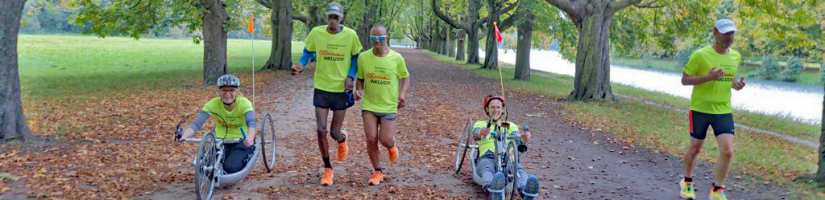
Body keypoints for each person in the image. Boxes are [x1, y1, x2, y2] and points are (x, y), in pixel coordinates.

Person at [290, 1, 363, 186]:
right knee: (321, 129)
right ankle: (328, 168)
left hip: (341, 90)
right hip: (322, 87)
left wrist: (351, 77)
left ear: (341, 19)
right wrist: (300, 64)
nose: (332, 20)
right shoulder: (317, 33)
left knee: (333, 132)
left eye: (336, 17)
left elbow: (356, 56)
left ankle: (342, 138)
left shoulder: (350, 35)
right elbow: (308, 52)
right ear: (326, 18)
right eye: (330, 16)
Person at [679, 19, 746, 200]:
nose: (729, 37)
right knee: (695, 148)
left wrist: (735, 85)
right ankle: (687, 181)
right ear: (715, 33)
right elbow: (685, 79)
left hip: (723, 110)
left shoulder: (735, 56)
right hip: (700, 109)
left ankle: (717, 189)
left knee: (728, 151)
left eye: (732, 33)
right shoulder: (700, 55)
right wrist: (708, 77)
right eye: (725, 33)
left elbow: (727, 79)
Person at [354, 25, 411, 186]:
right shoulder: (363, 57)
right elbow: (360, 78)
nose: (377, 41)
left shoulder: (397, 58)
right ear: (370, 39)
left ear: (386, 38)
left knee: (385, 139)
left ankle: (391, 146)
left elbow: (405, 77)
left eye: (380, 38)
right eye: (373, 38)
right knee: (371, 138)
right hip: (369, 105)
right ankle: (378, 171)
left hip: (388, 106)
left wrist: (402, 94)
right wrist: (358, 90)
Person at [179, 74, 257, 174]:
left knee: (230, 167)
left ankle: (248, 153)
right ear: (219, 91)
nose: (227, 94)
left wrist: (250, 138)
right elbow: (197, 124)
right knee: (205, 167)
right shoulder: (213, 104)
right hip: (221, 140)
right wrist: (184, 136)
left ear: (237, 92)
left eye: (231, 91)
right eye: (224, 90)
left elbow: (251, 122)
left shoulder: (244, 103)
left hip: (241, 139)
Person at [472, 95, 539, 200]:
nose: (495, 110)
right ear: (487, 109)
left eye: (498, 107)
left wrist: (524, 138)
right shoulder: (480, 124)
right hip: (487, 156)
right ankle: (493, 188)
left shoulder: (510, 125)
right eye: (492, 107)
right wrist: (482, 133)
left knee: (518, 169)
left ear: (503, 110)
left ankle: (525, 191)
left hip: (507, 158)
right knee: (487, 167)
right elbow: (476, 134)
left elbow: (518, 140)